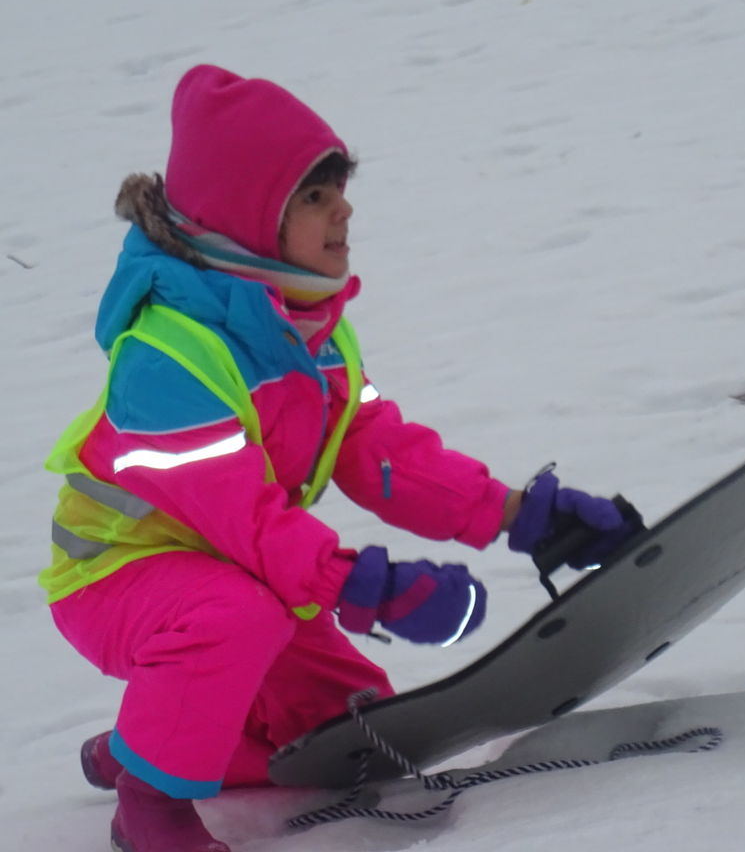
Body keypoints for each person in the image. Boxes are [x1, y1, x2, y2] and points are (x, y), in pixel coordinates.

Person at [39, 64, 639, 852]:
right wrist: (363, 586)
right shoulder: (166, 356)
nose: (343, 209)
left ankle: (140, 749)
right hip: (121, 574)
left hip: (238, 568)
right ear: (249, 220)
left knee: (344, 733)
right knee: (235, 617)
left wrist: (519, 516)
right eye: (314, 198)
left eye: (340, 190)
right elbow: (244, 517)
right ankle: (151, 807)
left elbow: (377, 448)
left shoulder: (308, 331)